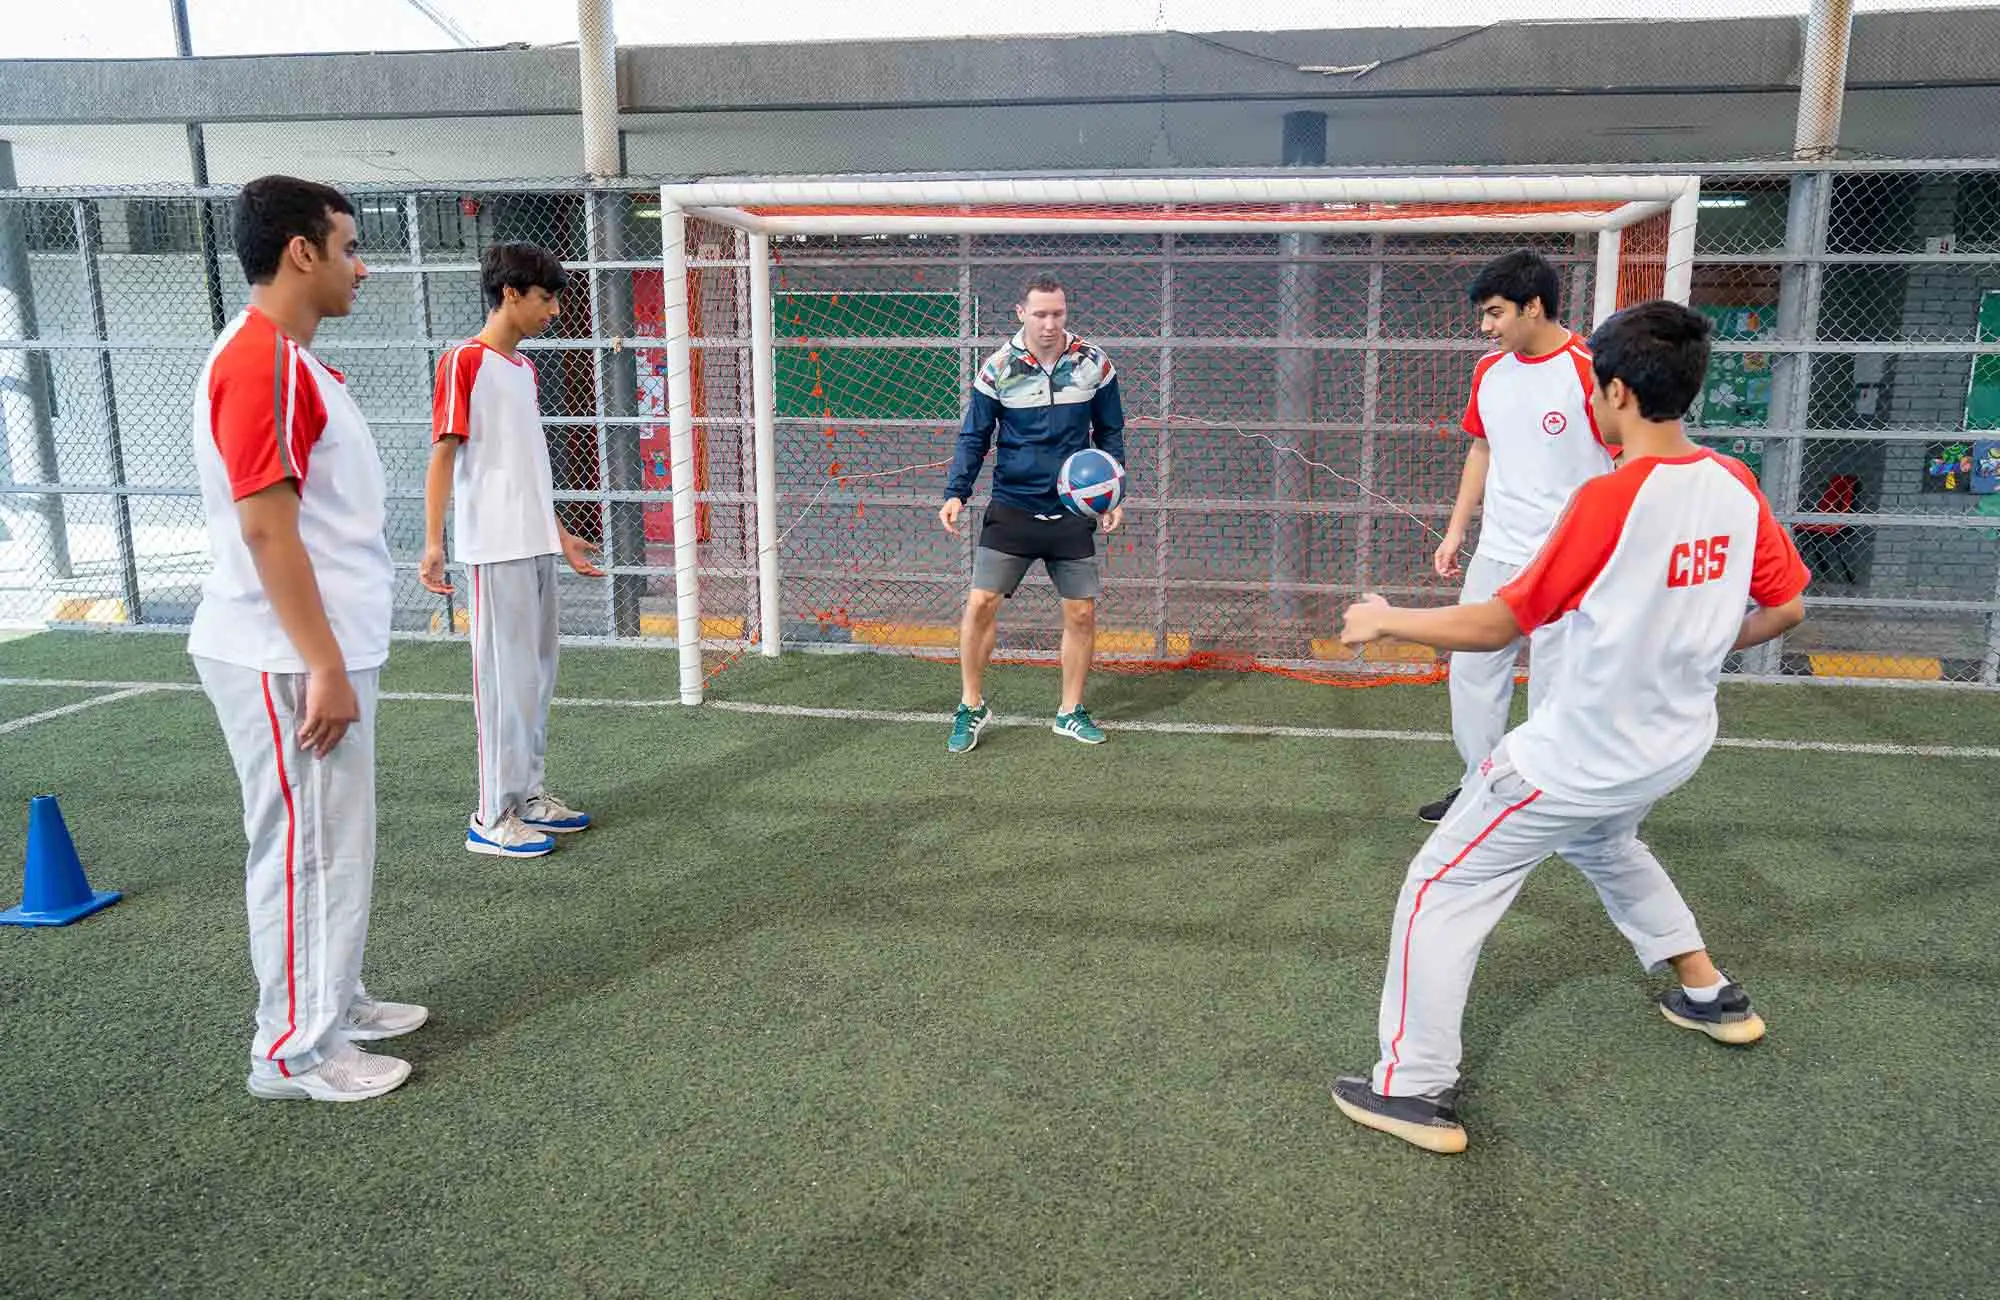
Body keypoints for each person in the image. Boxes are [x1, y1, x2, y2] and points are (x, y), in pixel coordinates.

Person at [1329, 299, 1810, 1155]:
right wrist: (1694, 642)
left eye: (1595, 387)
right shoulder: (1734, 483)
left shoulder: (1608, 499)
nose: (1590, 401)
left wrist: (1385, 618)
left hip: (1575, 758)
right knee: (1608, 847)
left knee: (1441, 889)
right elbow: (1787, 607)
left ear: (1618, 393)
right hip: (1673, 747)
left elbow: (1497, 625)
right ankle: (1708, 993)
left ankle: (1411, 1086)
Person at [189, 175, 424, 1102]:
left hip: (311, 651)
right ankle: (292, 1051)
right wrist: (322, 662)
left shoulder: (292, 360)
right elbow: (266, 529)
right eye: (350, 247)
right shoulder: (262, 362)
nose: (361, 268)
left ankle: (335, 999)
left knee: (334, 841)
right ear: (302, 251)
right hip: (285, 656)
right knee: (306, 849)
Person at [421, 242, 605, 858]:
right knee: (501, 682)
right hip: (494, 549)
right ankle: (489, 817)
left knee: (535, 678)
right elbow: (443, 453)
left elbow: (527, 468)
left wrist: (559, 533)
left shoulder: (523, 371)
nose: (554, 310)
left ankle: (528, 795)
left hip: (534, 547)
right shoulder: (463, 362)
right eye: (547, 297)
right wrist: (432, 543)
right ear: (511, 294)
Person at [1419, 250, 1615, 824]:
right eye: (1484, 315)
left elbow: (1624, 457)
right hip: (1497, 554)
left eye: (1496, 313)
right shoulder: (1489, 372)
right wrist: (1456, 530)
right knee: (1471, 668)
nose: (1486, 326)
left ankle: (1548, 794)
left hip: (1570, 562)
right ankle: (1482, 784)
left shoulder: (1591, 369)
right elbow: (1481, 449)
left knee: (1557, 684)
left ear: (1534, 307)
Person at [939, 274, 1126, 753]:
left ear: (1066, 312)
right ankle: (971, 705)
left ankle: (1069, 712)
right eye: (1040, 314)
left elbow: (1110, 433)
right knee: (980, 603)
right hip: (1013, 506)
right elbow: (973, 436)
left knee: (1081, 612)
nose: (1049, 323)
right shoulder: (999, 367)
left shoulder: (1094, 364)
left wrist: (1114, 493)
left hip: (1070, 511)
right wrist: (957, 491)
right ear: (1020, 314)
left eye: (1057, 313)